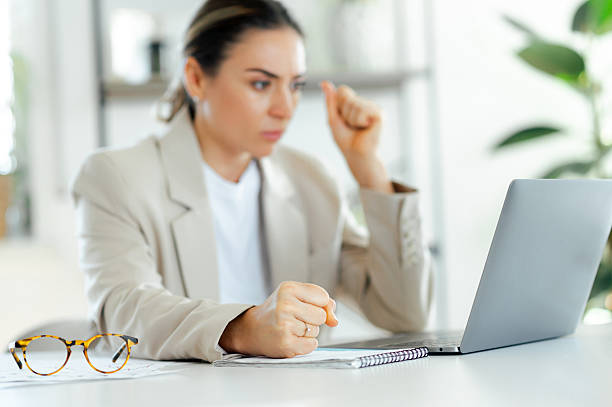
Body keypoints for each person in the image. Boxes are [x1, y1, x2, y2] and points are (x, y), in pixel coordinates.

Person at [72, 0, 432, 363]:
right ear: (196, 78)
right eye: (261, 83)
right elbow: (122, 311)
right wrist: (242, 327)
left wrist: (368, 168)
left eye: (294, 85)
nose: (285, 107)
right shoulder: (116, 177)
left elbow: (404, 313)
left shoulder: (312, 180)